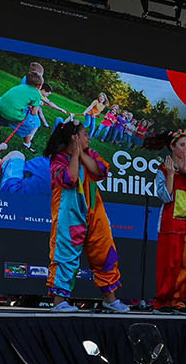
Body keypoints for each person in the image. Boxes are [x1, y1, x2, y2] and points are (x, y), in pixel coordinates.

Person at [42, 121, 129, 313]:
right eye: (85, 134)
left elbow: (101, 172)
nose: (88, 137)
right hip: (70, 215)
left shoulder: (90, 154)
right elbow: (70, 180)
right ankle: (59, 302)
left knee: (105, 253)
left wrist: (81, 153)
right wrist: (75, 155)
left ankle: (110, 299)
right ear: (75, 138)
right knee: (65, 255)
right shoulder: (58, 159)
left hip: (94, 212)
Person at [153, 128, 186, 310]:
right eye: (182, 145)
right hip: (171, 224)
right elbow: (165, 196)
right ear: (172, 147)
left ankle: (178, 299)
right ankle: (163, 301)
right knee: (169, 264)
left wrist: (185, 170)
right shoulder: (162, 170)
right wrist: (170, 174)